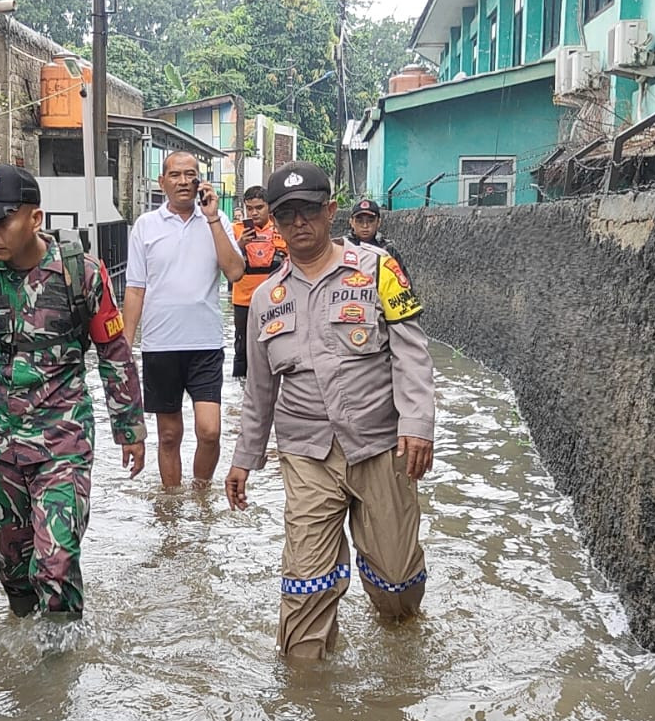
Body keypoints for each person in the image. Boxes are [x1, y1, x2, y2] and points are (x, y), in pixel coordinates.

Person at [225, 162, 437, 660]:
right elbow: (259, 390)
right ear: (274, 223)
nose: (299, 223)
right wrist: (243, 459)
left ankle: (401, 661)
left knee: (396, 586)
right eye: (287, 214)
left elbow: (411, 352)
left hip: (380, 445)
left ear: (331, 211)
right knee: (305, 591)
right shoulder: (263, 300)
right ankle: (306, 700)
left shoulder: (379, 271)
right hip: (306, 455)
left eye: (309, 210)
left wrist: (418, 424)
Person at [0, 165, 147, 619]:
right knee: (12, 563)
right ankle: (25, 653)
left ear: (35, 218)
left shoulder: (80, 275)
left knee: (56, 560)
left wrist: (130, 427)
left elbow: (114, 351)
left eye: (1, 220)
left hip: (62, 438)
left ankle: (59, 669)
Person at [123, 152, 247, 488]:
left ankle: (201, 494)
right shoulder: (146, 227)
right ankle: (173, 505)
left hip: (205, 344)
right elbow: (135, 289)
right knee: (168, 435)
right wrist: (123, 350)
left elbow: (236, 272)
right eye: (174, 175)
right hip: (160, 345)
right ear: (162, 182)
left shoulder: (216, 220)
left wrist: (212, 219)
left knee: (210, 431)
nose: (182, 181)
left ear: (199, 181)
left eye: (189, 174)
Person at [230, 186, 287, 379]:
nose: (254, 212)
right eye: (250, 208)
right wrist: (239, 245)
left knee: (276, 343)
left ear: (269, 207)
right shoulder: (235, 230)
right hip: (243, 299)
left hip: (274, 299)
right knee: (242, 346)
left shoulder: (280, 228)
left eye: (259, 207)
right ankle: (240, 392)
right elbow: (225, 262)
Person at [345, 198, 409, 275]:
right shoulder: (343, 248)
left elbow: (403, 282)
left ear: (378, 222)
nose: (365, 226)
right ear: (351, 222)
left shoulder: (387, 251)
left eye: (370, 221)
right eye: (360, 221)